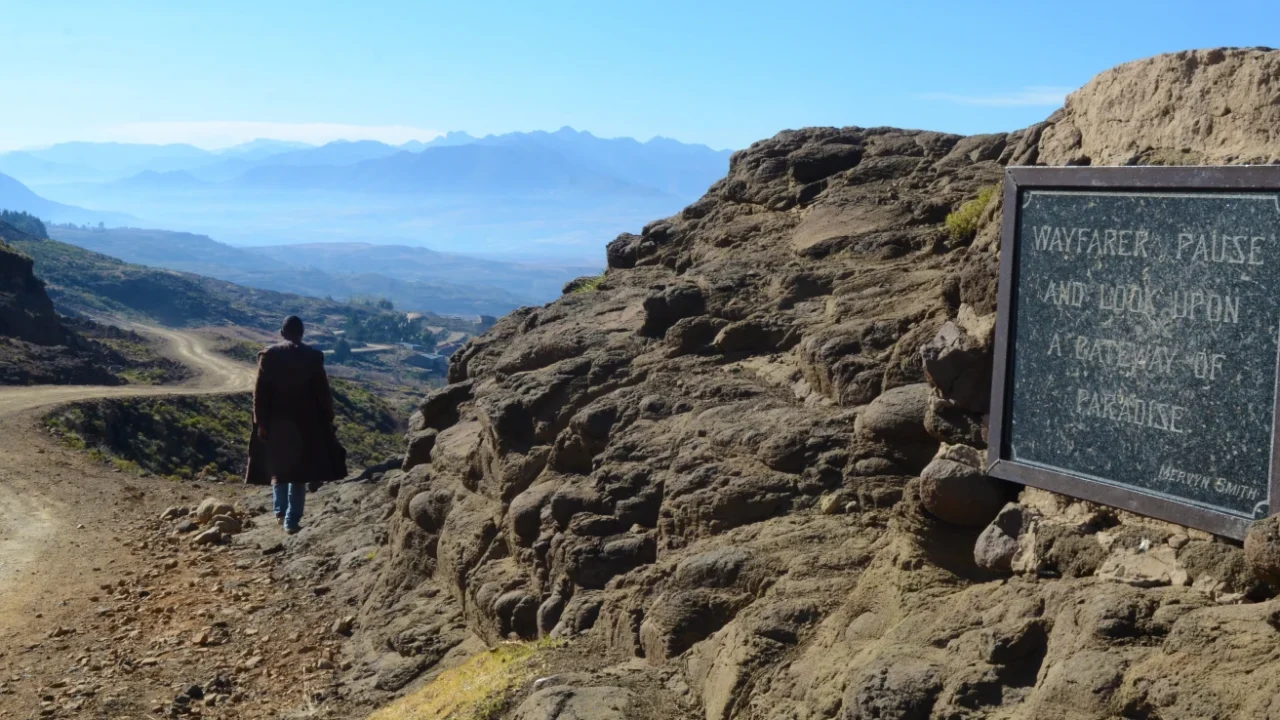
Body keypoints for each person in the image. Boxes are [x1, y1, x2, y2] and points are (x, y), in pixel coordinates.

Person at [245, 316, 336, 534]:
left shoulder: (269, 357)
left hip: (277, 423)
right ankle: (291, 521)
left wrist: (261, 423)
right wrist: (328, 421)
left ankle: (279, 512)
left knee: (279, 467)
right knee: (299, 473)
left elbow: (260, 394)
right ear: (302, 333)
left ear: (282, 333)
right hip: (306, 424)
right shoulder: (313, 357)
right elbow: (323, 395)